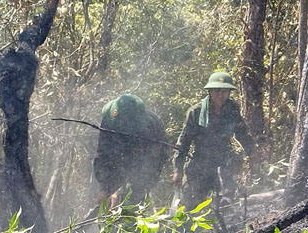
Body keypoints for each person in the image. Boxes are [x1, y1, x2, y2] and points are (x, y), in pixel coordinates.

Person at [172, 71, 255, 208]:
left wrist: (252, 152)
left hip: (224, 162)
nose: (221, 95)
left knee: (226, 202)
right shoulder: (196, 112)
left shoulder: (232, 108)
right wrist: (177, 170)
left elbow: (242, 133)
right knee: (190, 204)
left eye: (225, 91)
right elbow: (184, 143)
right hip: (200, 163)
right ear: (210, 91)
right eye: (217, 91)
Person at [92, 93, 171, 208]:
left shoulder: (152, 127)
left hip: (140, 173)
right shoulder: (110, 119)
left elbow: (152, 165)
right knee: (106, 205)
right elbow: (103, 153)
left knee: (130, 205)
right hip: (116, 163)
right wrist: (105, 187)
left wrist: (125, 190)